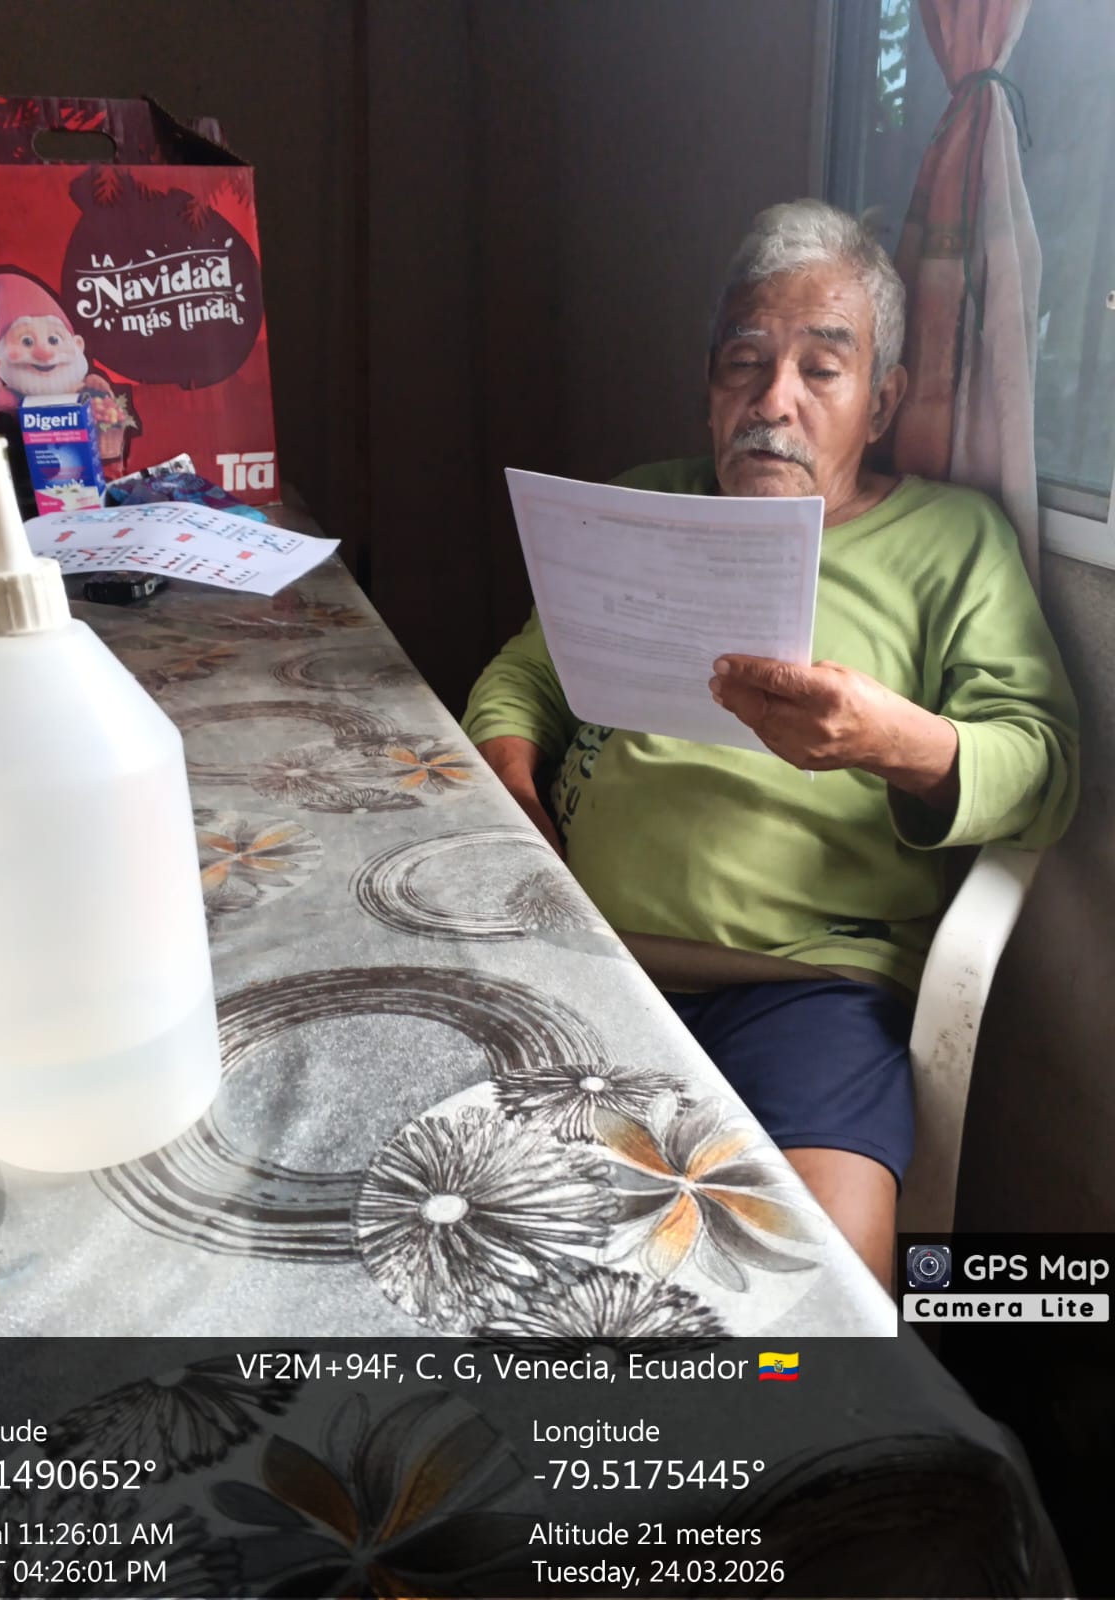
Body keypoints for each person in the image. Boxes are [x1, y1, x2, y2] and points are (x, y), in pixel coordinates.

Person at [461, 199, 1079, 1290]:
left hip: (810, 988)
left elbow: (1045, 766)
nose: (772, 400)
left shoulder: (951, 542)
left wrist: (895, 740)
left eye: (821, 369)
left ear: (881, 400)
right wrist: (511, 780)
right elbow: (526, 673)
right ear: (710, 385)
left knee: (826, 1287)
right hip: (583, 952)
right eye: (743, 363)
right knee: (474, 1231)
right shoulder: (647, 505)